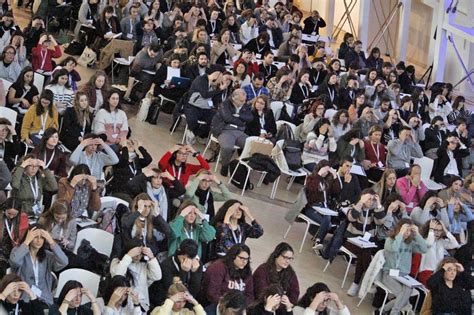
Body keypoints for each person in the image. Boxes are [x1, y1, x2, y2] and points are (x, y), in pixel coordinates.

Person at [9, 224, 68, 306]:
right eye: (35, 237)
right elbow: (14, 261)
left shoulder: (47, 255)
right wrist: (27, 241)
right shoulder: (19, 251)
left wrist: (51, 241)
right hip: (24, 298)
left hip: (44, 298)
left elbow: (64, 262)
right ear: (29, 237)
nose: (39, 240)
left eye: (42, 238)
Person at [381, 219, 428, 315]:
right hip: (389, 274)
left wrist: (417, 234)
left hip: (403, 276)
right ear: (399, 229)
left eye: (409, 231)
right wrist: (401, 234)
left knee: (407, 290)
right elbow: (394, 249)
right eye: (405, 230)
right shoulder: (390, 240)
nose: (407, 233)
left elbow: (424, 249)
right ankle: (392, 312)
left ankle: (384, 310)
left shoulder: (410, 244)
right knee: (403, 296)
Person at [344, 189, 382, 296]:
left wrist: (378, 204)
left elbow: (381, 221)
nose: (370, 201)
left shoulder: (374, 211)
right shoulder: (355, 207)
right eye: (368, 199)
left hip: (367, 244)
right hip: (352, 241)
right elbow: (351, 218)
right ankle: (370, 279)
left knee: (364, 251)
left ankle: (356, 284)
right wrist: (361, 203)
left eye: (372, 199)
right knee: (364, 251)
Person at [110, 239, 162, 312]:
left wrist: (152, 257)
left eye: (141, 255)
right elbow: (117, 275)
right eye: (136, 255)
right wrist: (128, 256)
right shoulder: (117, 262)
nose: (138, 257)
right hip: (121, 303)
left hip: (140, 304)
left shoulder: (143, 265)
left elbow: (157, 276)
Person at [211, 89, 252, 177]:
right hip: (224, 130)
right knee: (227, 147)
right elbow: (227, 118)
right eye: (241, 100)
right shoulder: (225, 104)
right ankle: (225, 165)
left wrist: (239, 116)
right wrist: (241, 121)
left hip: (239, 131)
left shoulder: (245, 106)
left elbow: (249, 117)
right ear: (234, 98)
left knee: (251, 146)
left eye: (244, 100)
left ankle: (239, 166)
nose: (244, 102)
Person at [149, 239, 202, 308]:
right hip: (166, 302)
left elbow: (195, 291)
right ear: (180, 254)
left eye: (191, 258)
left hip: (187, 303)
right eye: (185, 258)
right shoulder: (166, 265)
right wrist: (183, 272)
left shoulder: (196, 264)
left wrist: (195, 273)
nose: (188, 262)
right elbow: (174, 291)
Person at [303, 160, 340, 248]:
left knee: (328, 218)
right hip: (312, 207)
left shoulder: (327, 181)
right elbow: (312, 189)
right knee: (328, 222)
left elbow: (336, 191)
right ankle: (318, 240)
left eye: (327, 171)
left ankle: (318, 240)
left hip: (324, 208)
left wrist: (335, 176)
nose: (325, 173)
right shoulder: (311, 178)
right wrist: (319, 175)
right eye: (324, 171)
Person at [184, 71, 228, 144]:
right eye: (218, 82)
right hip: (193, 105)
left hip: (206, 107)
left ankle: (194, 133)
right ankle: (193, 132)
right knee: (192, 120)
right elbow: (205, 94)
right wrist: (219, 90)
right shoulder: (201, 80)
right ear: (214, 78)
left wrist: (221, 90)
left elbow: (215, 98)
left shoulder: (212, 85)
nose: (218, 84)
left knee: (216, 120)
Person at [253, 243, 299, 308]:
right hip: (262, 306)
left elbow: (295, 293)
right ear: (276, 255)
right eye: (285, 257)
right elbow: (260, 292)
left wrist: (289, 303)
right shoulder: (263, 270)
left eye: (290, 258)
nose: (287, 261)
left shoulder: (290, 272)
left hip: (281, 307)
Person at [417, 219, 459, 286]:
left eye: (440, 230)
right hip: (425, 273)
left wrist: (445, 230)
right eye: (435, 230)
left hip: (438, 273)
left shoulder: (441, 241)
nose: (437, 232)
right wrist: (431, 229)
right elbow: (429, 243)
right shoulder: (424, 240)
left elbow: (455, 244)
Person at [0, 198, 28, 277]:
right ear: (5, 209)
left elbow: (21, 239)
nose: (11, 216)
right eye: (9, 213)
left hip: (14, 248)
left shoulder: (23, 218)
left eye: (14, 214)